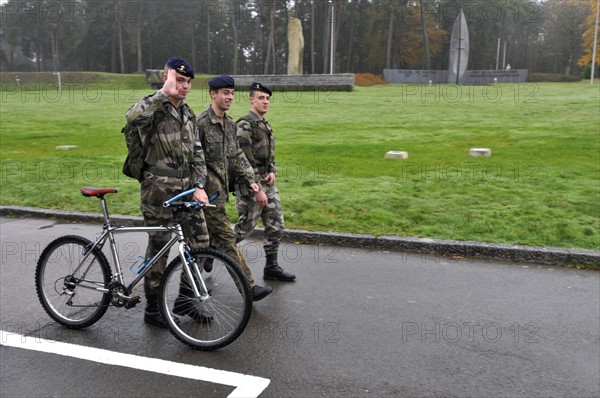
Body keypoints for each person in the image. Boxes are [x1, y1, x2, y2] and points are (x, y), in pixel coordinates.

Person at [125, 57, 210, 328]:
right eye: (179, 80)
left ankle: (185, 300)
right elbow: (131, 118)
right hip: (158, 193)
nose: (184, 86)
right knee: (159, 250)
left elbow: (197, 152)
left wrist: (199, 185)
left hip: (186, 193)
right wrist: (163, 93)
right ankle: (153, 310)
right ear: (167, 78)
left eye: (188, 82)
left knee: (201, 243)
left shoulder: (188, 113)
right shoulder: (154, 106)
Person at [196, 75, 273, 301]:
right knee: (226, 240)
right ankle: (248, 287)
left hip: (218, 195)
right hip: (202, 196)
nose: (229, 97)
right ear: (213, 94)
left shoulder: (229, 124)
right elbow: (192, 159)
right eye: (225, 93)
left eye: (231, 93)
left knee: (201, 245)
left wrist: (251, 180)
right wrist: (196, 187)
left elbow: (237, 156)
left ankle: (188, 294)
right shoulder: (200, 123)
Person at [234, 82, 295, 282]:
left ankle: (271, 267)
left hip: (267, 184)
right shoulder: (244, 125)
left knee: (276, 224)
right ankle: (213, 253)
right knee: (244, 228)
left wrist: (272, 171)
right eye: (261, 98)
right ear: (251, 100)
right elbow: (242, 159)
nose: (265, 101)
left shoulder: (264, 124)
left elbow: (269, 154)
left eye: (267, 98)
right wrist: (257, 187)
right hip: (251, 186)